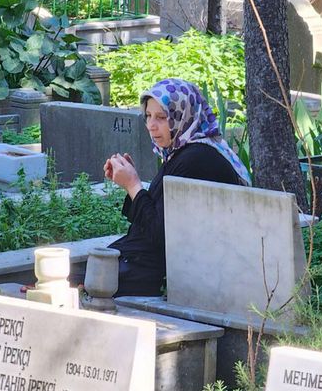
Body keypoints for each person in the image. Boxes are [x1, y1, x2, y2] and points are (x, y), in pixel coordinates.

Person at [103, 78, 251, 297]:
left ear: (183, 116)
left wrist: (134, 185)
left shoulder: (196, 159)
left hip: (176, 274)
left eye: (162, 118)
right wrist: (131, 184)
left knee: (89, 277)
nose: (151, 125)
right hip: (164, 265)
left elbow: (160, 235)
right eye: (148, 116)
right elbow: (159, 217)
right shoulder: (186, 152)